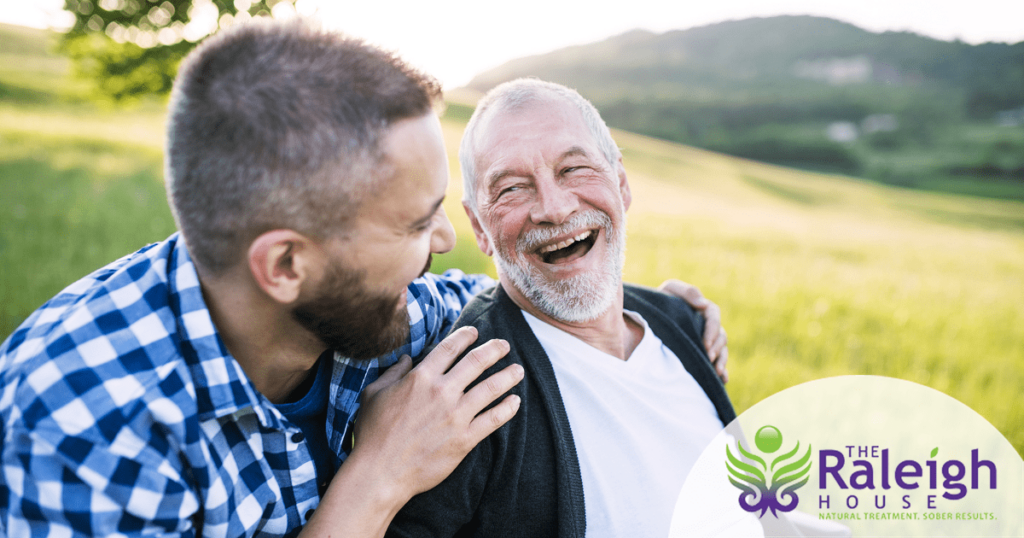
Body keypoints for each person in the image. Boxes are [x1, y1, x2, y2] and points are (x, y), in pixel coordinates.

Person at [0, 20, 727, 538]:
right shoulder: (82, 422)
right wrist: (379, 478)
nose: (446, 245)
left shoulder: (383, 316)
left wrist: (667, 316)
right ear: (286, 266)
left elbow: (531, 298)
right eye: (415, 225)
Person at [385, 79, 745, 538]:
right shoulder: (470, 395)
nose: (553, 209)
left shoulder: (684, 326)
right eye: (513, 188)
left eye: (574, 169)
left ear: (621, 183)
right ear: (478, 226)